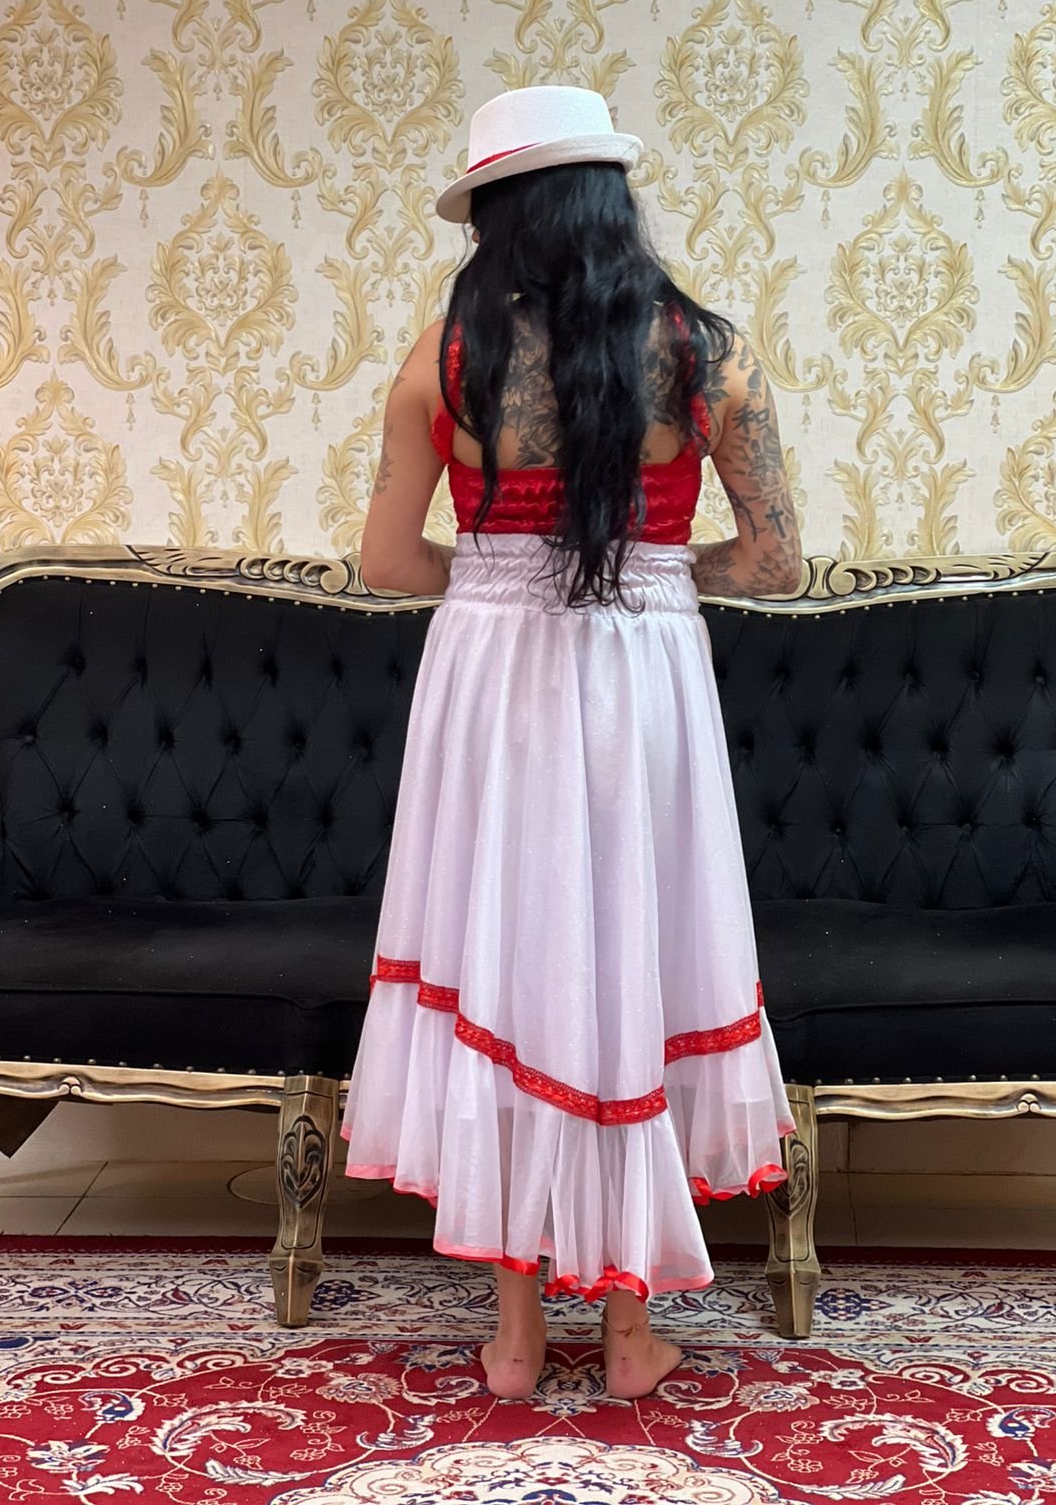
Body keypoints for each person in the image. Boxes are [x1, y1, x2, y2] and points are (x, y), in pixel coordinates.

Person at [341, 85, 803, 1402]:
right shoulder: (711, 356)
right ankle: (631, 1335)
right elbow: (775, 562)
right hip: (643, 675)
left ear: (495, 222)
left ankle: (514, 1337)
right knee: (629, 961)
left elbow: (387, 563)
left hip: (492, 681)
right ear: (613, 202)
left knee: (509, 955)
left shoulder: (440, 362)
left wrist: (497, 577)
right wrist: (655, 574)